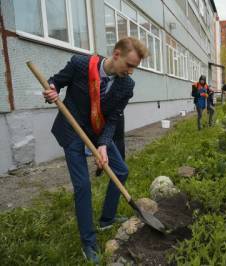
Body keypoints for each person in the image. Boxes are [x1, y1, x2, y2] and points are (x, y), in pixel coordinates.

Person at [43, 37, 148, 263]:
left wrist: (103, 145)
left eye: (135, 68)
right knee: (83, 186)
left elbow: (113, 118)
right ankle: (88, 243)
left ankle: (107, 219)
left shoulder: (127, 85)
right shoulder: (81, 64)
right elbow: (56, 81)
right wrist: (52, 89)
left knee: (120, 170)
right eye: (129, 65)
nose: (131, 72)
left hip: (98, 129)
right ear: (116, 54)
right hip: (72, 128)